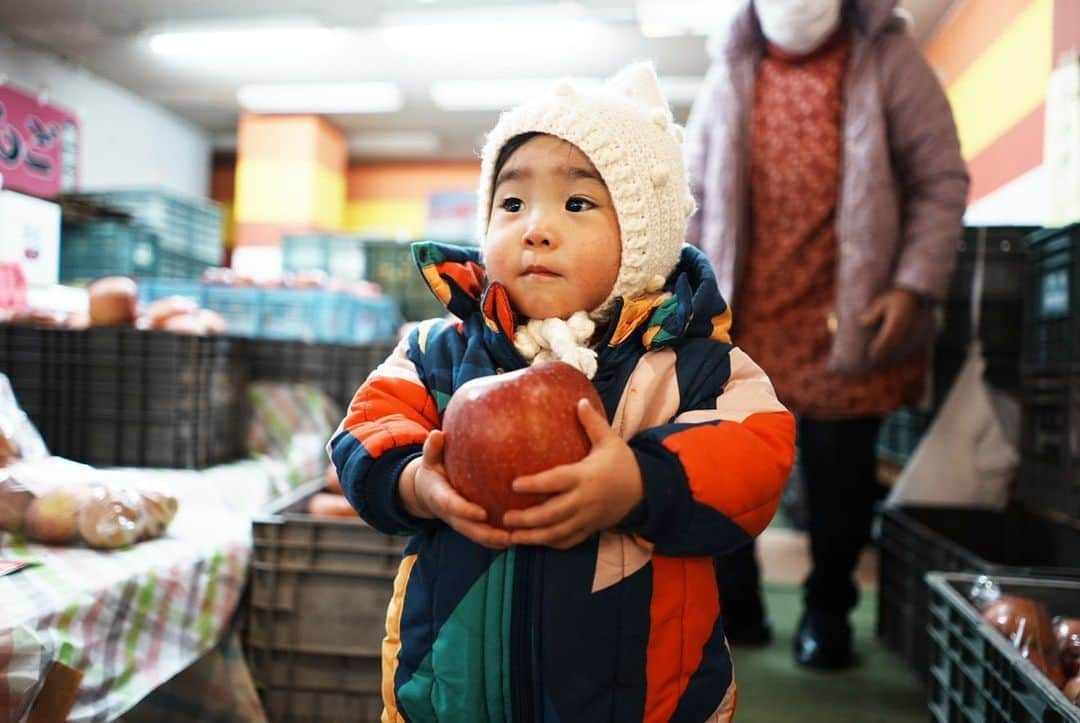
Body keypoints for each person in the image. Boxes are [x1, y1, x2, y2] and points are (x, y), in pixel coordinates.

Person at [329, 63, 796, 722]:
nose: (535, 228)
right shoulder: (439, 351)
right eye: (512, 203)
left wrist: (639, 482)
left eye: (577, 203)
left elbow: (758, 454)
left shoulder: (689, 363)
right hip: (453, 692)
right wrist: (413, 481)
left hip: (641, 702)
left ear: (642, 238)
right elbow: (366, 428)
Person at [684, 0, 969, 669]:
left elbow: (939, 182)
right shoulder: (728, 67)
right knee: (727, 468)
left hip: (850, 313)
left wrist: (912, 285)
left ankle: (827, 612)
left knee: (839, 479)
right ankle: (738, 609)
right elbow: (690, 193)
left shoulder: (889, 59)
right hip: (743, 316)